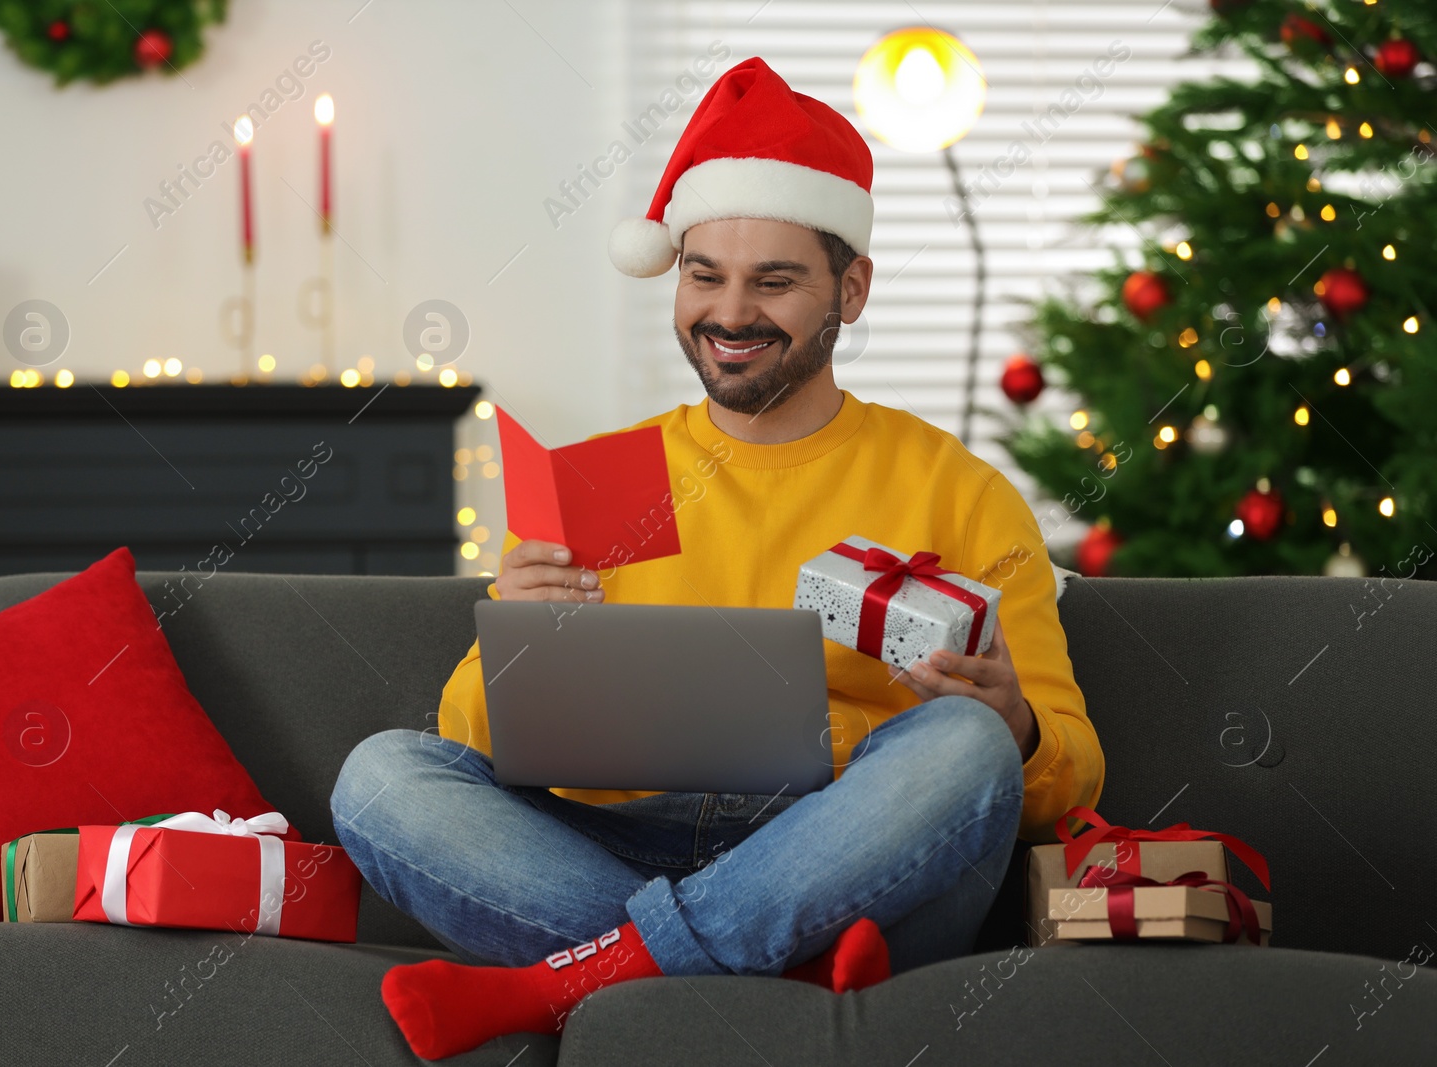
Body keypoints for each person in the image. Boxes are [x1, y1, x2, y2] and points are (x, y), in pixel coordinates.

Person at [332, 56, 1105, 1061]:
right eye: (704, 275)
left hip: (855, 849)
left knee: (960, 747)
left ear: (852, 289)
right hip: (625, 841)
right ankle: (770, 970)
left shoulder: (954, 488)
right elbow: (470, 735)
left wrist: (1008, 717)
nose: (729, 313)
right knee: (381, 776)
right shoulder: (615, 477)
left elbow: (1072, 776)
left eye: (774, 281)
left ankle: (600, 974)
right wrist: (517, 640)